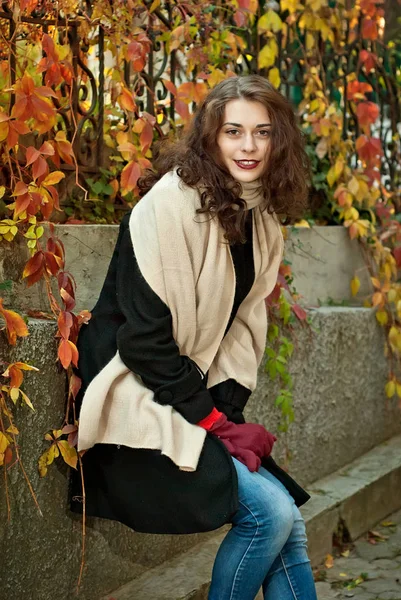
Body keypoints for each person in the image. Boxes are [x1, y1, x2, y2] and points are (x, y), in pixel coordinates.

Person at [70, 74, 318, 600]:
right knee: (269, 515)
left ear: (280, 142)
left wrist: (224, 417)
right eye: (233, 131)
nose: (248, 146)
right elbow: (143, 343)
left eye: (263, 132)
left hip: (184, 398)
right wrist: (213, 423)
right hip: (135, 397)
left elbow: (240, 327)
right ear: (210, 136)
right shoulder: (171, 205)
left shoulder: (260, 219)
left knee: (288, 525)